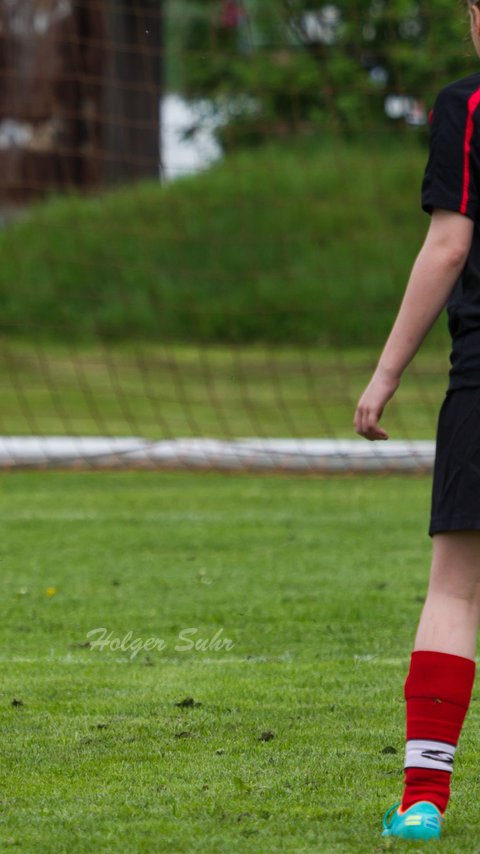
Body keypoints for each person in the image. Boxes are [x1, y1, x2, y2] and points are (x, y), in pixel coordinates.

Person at [356, 0, 480, 840]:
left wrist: (385, 372)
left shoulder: (467, 104)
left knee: (457, 586)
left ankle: (423, 798)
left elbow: (448, 245)